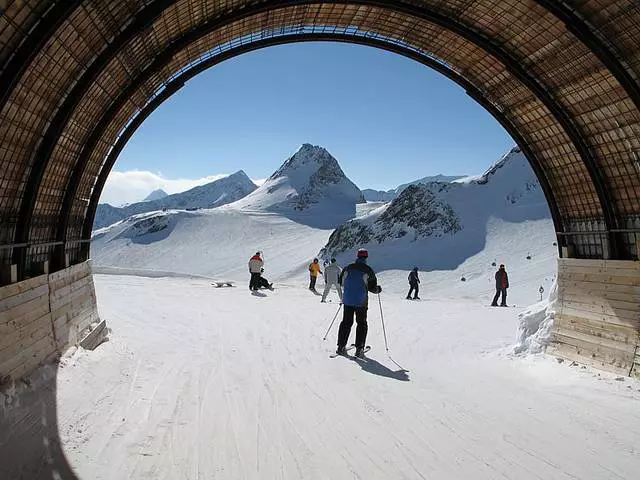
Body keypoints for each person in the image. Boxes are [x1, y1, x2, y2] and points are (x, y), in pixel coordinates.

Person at [336, 248, 382, 358]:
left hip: (347, 300)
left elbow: (340, 282)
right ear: (366, 257)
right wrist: (378, 289)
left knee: (346, 322)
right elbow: (372, 288)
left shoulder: (347, 268)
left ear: (357, 256)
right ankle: (359, 349)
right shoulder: (368, 270)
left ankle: (341, 346)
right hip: (361, 301)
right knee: (361, 323)